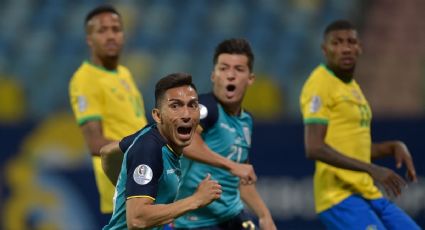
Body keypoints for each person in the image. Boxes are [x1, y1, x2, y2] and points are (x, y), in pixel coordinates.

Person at [300, 19, 420, 229]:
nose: (345, 48)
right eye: (336, 43)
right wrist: (373, 169)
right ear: (324, 49)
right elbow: (314, 147)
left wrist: (394, 146)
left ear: (360, 48)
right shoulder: (319, 84)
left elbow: (354, 148)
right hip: (338, 198)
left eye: (351, 42)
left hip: (368, 193)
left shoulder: (352, 87)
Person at [173, 38, 276, 230]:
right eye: (224, 68)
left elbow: (242, 179)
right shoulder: (205, 108)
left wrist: (264, 216)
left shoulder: (246, 121)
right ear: (214, 75)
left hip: (231, 215)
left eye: (238, 69)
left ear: (250, 78)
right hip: (195, 221)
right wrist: (232, 166)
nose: (230, 75)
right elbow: (186, 142)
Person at [103, 73, 222, 230]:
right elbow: (137, 220)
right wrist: (196, 200)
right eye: (175, 106)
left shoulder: (154, 134)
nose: (186, 114)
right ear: (158, 115)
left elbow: (107, 152)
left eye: (192, 105)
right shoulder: (149, 149)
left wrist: (126, 185)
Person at [68, 4, 148, 220]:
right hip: (122, 189)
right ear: (89, 39)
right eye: (102, 31)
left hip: (145, 181)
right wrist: (147, 150)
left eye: (116, 29)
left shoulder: (124, 73)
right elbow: (95, 143)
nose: (111, 36)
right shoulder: (85, 79)